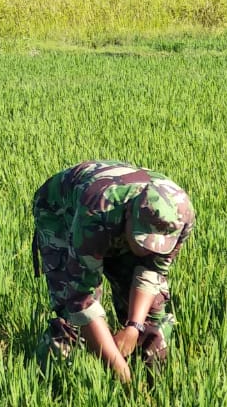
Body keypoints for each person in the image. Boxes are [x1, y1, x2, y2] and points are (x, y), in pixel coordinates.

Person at [32, 160, 194, 382]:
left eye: (156, 244)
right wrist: (120, 372)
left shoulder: (181, 214)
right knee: (72, 318)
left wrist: (134, 327)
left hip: (112, 221)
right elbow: (81, 299)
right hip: (61, 213)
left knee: (152, 313)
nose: (147, 250)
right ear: (128, 217)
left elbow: (152, 270)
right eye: (142, 240)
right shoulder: (95, 213)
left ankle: (153, 383)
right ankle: (51, 384)